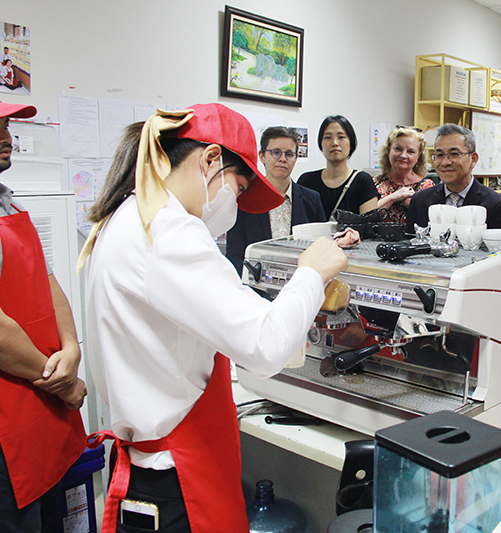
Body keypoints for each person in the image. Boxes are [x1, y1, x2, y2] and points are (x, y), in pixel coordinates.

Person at [79, 104, 348, 533]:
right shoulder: (167, 231)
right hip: (175, 479)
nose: (236, 206)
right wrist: (312, 273)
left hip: (150, 466)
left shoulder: (126, 219)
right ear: (208, 160)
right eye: (239, 190)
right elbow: (265, 346)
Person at [0, 101, 87, 532]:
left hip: (44, 412)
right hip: (10, 422)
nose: (5, 138)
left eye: (6, 125)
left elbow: (48, 281)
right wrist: (66, 384)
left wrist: (71, 347)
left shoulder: (9, 204)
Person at [226, 126, 326, 275]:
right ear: (261, 156)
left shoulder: (312, 199)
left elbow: (321, 250)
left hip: (300, 285)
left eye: (289, 154)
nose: (283, 159)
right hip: (255, 289)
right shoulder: (244, 200)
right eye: (276, 152)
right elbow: (235, 255)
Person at [405, 123, 501, 234]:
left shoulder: (496, 205)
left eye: (454, 154)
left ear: (473, 159)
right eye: (439, 155)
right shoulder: (420, 201)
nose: (445, 162)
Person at [298, 115, 378, 220]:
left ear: (351, 143)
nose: (335, 143)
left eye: (341, 137)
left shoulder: (362, 181)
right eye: (327, 137)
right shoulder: (306, 181)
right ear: (321, 144)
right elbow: (299, 225)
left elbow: (369, 228)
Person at [373, 126, 434, 224]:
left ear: (418, 157)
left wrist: (414, 205)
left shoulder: (427, 187)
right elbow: (366, 217)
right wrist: (394, 197)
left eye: (410, 151)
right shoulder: (374, 184)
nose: (403, 155)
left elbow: (434, 222)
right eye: (398, 149)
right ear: (388, 151)